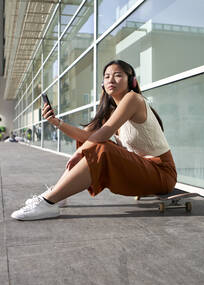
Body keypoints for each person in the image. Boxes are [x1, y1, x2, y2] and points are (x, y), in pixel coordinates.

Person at [11, 60, 177, 221]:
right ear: (103, 84)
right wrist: (57, 123)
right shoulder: (111, 110)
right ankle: (57, 194)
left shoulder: (133, 99)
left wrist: (80, 153)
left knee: (100, 147)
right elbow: (86, 137)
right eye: (106, 76)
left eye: (118, 75)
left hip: (161, 173)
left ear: (131, 81)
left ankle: (48, 202)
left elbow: (104, 134)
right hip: (141, 169)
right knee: (89, 143)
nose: (111, 79)